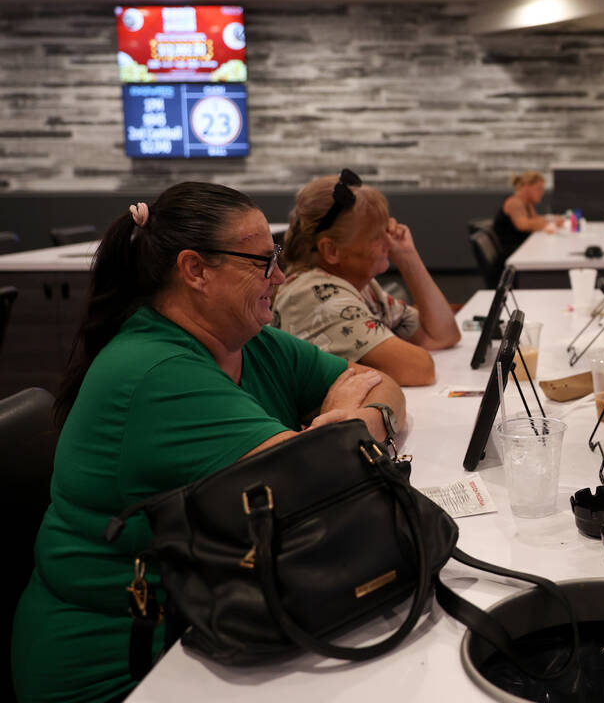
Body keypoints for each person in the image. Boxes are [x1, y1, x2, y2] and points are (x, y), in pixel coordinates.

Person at [12, 183, 407, 703]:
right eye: (263, 262)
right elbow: (315, 479)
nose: (281, 277)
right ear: (195, 270)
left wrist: (351, 422)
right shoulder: (158, 372)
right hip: (131, 668)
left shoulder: (249, 340)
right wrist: (338, 430)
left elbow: (384, 385)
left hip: (216, 620)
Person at [273, 169, 460, 387]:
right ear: (332, 251)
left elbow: (442, 335)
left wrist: (408, 256)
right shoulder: (315, 295)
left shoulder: (361, 285)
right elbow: (419, 369)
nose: (389, 242)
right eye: (376, 236)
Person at [493, 170, 561, 258]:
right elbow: (524, 225)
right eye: (539, 189)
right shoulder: (514, 202)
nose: (542, 193)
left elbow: (535, 220)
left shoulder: (527, 203)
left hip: (521, 250)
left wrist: (549, 220)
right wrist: (550, 221)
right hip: (513, 255)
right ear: (526, 186)